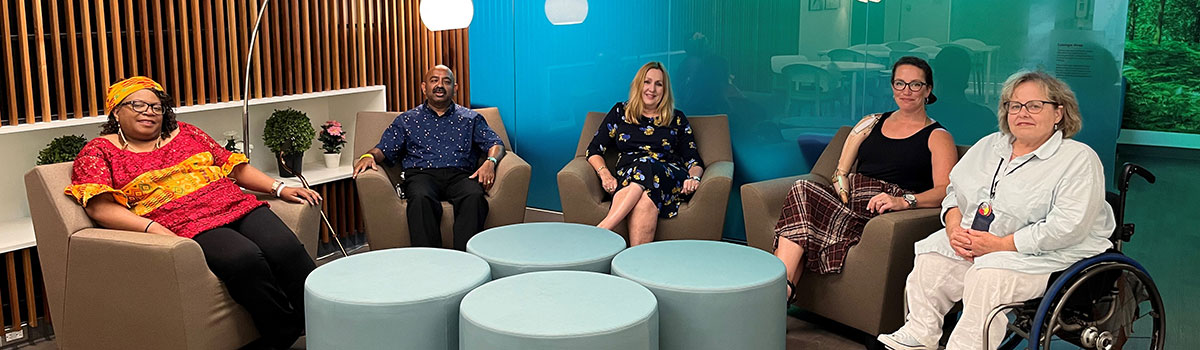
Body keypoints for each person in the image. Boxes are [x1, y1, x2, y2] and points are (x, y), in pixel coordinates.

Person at [65, 76, 320, 349]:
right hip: (183, 221)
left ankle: (325, 323)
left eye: (156, 107)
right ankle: (285, 331)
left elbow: (233, 167)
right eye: (138, 105)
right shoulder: (99, 151)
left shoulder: (187, 133)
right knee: (245, 259)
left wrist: (279, 187)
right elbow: (99, 206)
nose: (149, 112)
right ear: (116, 110)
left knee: (286, 248)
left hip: (232, 201)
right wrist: (152, 228)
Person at [877, 71, 1115, 350]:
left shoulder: (1077, 159)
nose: (1022, 113)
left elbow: (1067, 227)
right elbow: (954, 192)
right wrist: (954, 229)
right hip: (979, 240)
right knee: (932, 256)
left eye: (1034, 105)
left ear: (1058, 113)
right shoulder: (989, 146)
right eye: (1014, 105)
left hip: (1044, 254)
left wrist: (1002, 244)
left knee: (987, 277)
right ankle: (921, 333)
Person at [773, 57, 958, 303]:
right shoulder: (872, 122)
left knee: (801, 219)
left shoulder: (937, 136)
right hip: (849, 201)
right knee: (802, 189)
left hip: (880, 210)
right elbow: (841, 170)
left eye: (915, 85)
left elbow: (945, 191)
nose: (906, 91)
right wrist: (843, 190)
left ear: (928, 90)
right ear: (892, 86)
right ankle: (781, 291)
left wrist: (904, 201)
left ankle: (773, 292)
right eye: (900, 83)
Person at [353, 65, 505, 250]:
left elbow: (496, 144)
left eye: (446, 81)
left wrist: (491, 162)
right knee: (420, 198)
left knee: (474, 196)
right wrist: (369, 155)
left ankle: (467, 259)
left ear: (455, 88)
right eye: (434, 80)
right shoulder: (407, 119)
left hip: (461, 175)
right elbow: (384, 148)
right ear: (424, 87)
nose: (440, 85)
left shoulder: (471, 118)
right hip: (422, 175)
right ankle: (429, 260)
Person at [586, 61, 705, 246]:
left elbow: (694, 161)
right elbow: (594, 149)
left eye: (659, 84)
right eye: (647, 82)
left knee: (647, 164)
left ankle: (603, 229)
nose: (652, 89)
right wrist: (605, 174)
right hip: (629, 175)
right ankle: (634, 267)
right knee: (644, 199)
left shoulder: (677, 118)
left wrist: (694, 179)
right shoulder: (620, 112)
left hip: (667, 176)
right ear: (638, 84)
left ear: (665, 91)